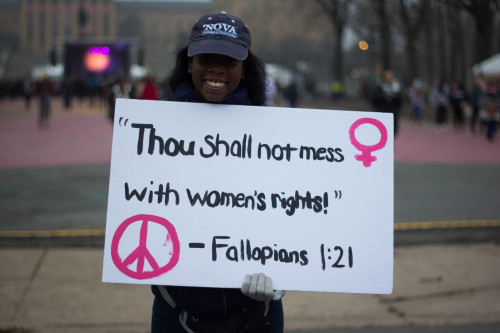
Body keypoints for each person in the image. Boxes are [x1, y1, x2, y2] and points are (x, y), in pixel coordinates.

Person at [151, 12, 284, 333]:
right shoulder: (154, 132)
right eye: (206, 58)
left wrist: (284, 271)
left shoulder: (277, 136)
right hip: (176, 311)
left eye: (229, 61)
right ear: (188, 63)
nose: (216, 68)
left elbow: (289, 209)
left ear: (244, 69)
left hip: (257, 310)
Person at [372, 70, 402, 135]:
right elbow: (375, 100)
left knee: (392, 133)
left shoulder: (396, 88)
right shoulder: (379, 88)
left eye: (390, 77)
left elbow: (400, 101)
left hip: (393, 113)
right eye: (387, 77)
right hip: (382, 113)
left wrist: (396, 110)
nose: (388, 79)